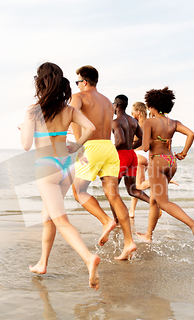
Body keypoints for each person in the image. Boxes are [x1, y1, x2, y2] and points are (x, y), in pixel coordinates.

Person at [19, 62, 100, 289]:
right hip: (66, 167)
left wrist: (26, 128)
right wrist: (77, 145)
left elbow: (26, 145)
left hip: (46, 168)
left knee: (61, 220)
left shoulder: (33, 110)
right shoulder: (69, 110)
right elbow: (91, 128)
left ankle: (88, 257)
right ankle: (43, 262)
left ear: (40, 82)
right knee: (48, 215)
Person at [70, 65, 137, 260]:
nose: (78, 86)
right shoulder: (108, 101)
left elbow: (70, 117)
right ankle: (128, 243)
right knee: (113, 195)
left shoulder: (79, 97)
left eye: (78, 82)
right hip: (109, 149)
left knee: (78, 191)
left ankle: (106, 220)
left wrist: (77, 145)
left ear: (84, 82)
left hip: (91, 147)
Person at [136, 87, 194, 245]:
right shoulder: (173, 123)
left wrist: (151, 139)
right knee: (154, 200)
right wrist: (184, 153)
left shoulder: (150, 122)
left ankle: (193, 224)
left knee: (163, 202)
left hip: (157, 162)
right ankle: (148, 235)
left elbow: (144, 147)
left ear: (152, 106)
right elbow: (191, 134)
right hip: (171, 161)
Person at [129, 102, 179, 218]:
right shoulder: (151, 123)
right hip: (148, 156)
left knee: (138, 185)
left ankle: (163, 181)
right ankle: (132, 210)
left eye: (132, 112)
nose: (131, 115)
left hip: (138, 155)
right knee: (137, 182)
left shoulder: (136, 125)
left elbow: (132, 143)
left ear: (138, 112)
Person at [111, 95, 150, 223]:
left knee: (112, 191)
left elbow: (121, 140)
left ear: (116, 105)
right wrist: (131, 147)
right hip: (132, 155)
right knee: (132, 190)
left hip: (122, 156)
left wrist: (110, 149)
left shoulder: (116, 122)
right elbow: (143, 138)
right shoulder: (133, 121)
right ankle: (154, 203)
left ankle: (116, 221)